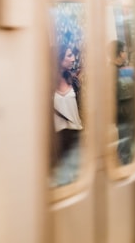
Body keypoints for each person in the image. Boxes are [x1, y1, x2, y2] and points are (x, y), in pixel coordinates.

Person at [52, 43, 83, 186]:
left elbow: (82, 108)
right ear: (59, 59)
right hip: (57, 139)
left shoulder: (74, 82)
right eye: (69, 55)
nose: (73, 59)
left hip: (76, 134)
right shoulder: (47, 86)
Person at [110, 40, 135, 164]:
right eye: (124, 51)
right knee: (125, 147)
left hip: (127, 115)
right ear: (120, 53)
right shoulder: (112, 72)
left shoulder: (123, 68)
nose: (126, 53)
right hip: (123, 116)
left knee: (126, 143)